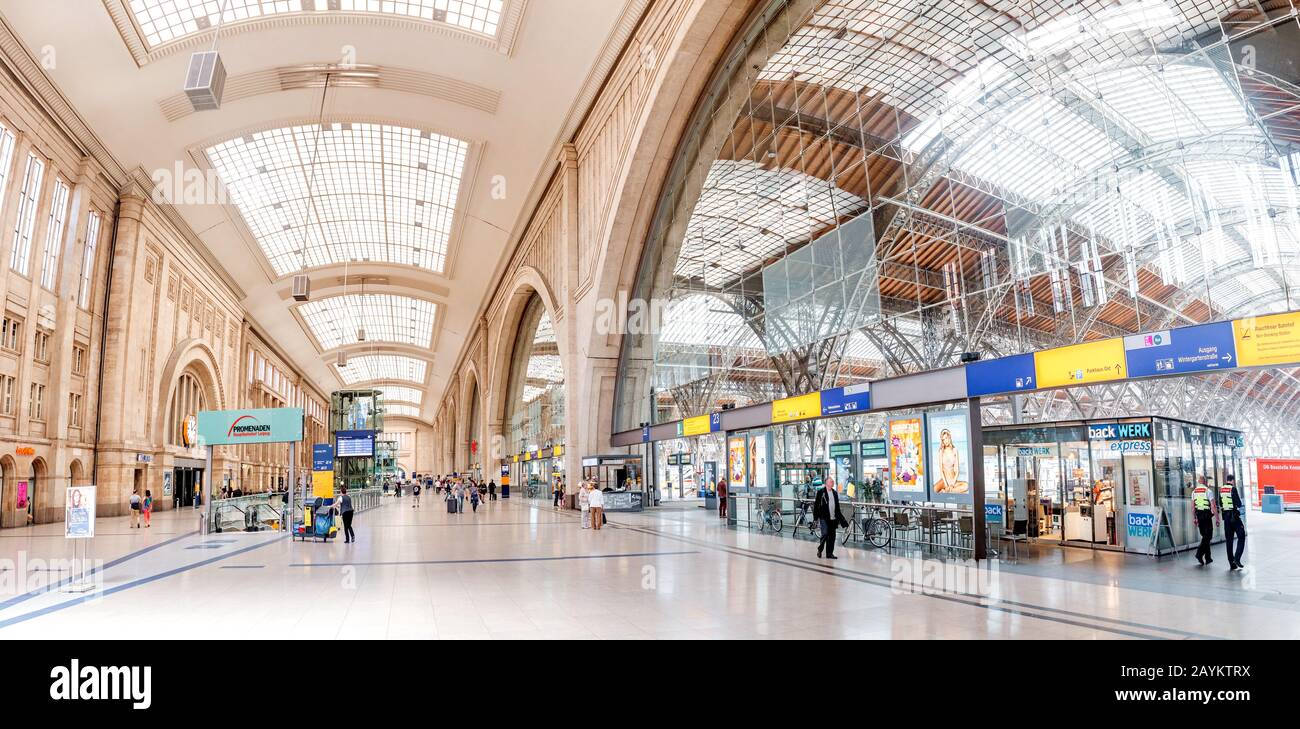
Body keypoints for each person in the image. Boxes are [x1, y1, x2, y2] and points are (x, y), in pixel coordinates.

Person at [812, 477, 848, 559]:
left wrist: (842, 519)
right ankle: (820, 549)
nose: (833, 482)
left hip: (833, 518)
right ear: (826, 483)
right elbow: (816, 505)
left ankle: (829, 553)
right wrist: (815, 518)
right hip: (824, 517)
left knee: (832, 536)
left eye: (833, 481)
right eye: (831, 481)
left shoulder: (834, 493)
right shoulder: (821, 492)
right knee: (825, 533)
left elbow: (837, 507)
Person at [1220, 474, 1246, 570]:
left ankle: (1231, 564)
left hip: (1226, 518)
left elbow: (1220, 503)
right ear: (1233, 481)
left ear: (1227, 480)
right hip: (1234, 517)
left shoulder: (1221, 489)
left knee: (1229, 540)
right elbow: (1239, 504)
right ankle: (1237, 558)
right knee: (1241, 536)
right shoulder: (1233, 489)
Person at [1192, 476, 1215, 566]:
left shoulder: (1194, 492)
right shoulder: (1208, 491)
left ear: (1198, 482)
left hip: (1199, 515)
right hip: (1206, 516)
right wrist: (1217, 517)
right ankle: (1199, 554)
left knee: (1205, 536)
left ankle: (1208, 558)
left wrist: (1194, 518)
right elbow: (1213, 506)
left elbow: (1193, 507)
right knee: (1208, 536)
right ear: (1205, 482)